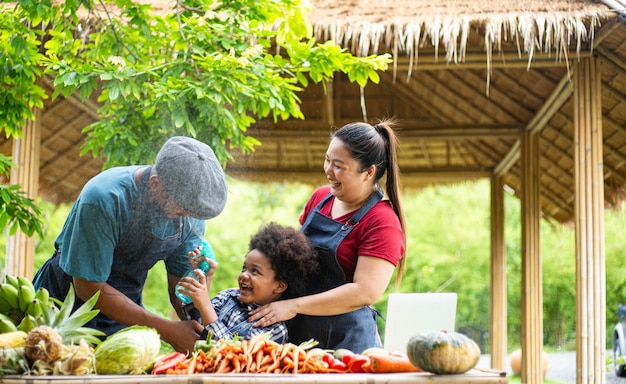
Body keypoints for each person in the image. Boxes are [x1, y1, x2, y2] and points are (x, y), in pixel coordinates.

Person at [33, 136, 228, 353]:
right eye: (181, 210)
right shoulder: (104, 198)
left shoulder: (190, 212)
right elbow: (87, 287)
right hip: (65, 307)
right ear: (155, 184)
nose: (187, 217)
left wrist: (197, 324)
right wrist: (168, 329)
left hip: (126, 311)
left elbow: (181, 290)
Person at [248, 119, 406, 353]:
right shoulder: (320, 198)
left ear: (368, 172)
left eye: (339, 166)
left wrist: (294, 305)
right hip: (299, 334)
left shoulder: (382, 222)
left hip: (347, 344)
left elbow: (365, 292)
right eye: (327, 160)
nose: (328, 170)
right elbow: (294, 261)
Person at [179, 223, 319, 343]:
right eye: (244, 268)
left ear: (279, 286)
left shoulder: (274, 329)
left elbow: (233, 355)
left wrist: (204, 305)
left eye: (255, 271)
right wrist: (204, 278)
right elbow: (197, 324)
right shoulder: (229, 297)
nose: (244, 275)